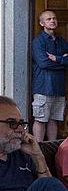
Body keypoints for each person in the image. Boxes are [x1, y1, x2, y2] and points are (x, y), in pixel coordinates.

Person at [31, 10, 68, 141]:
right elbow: (44, 63)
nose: (52, 21)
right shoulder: (38, 42)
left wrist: (57, 59)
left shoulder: (61, 41)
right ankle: (38, 151)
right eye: (48, 19)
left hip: (58, 88)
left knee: (54, 120)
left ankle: (52, 150)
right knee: (41, 120)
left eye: (54, 18)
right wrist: (63, 61)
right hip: (44, 88)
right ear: (42, 23)